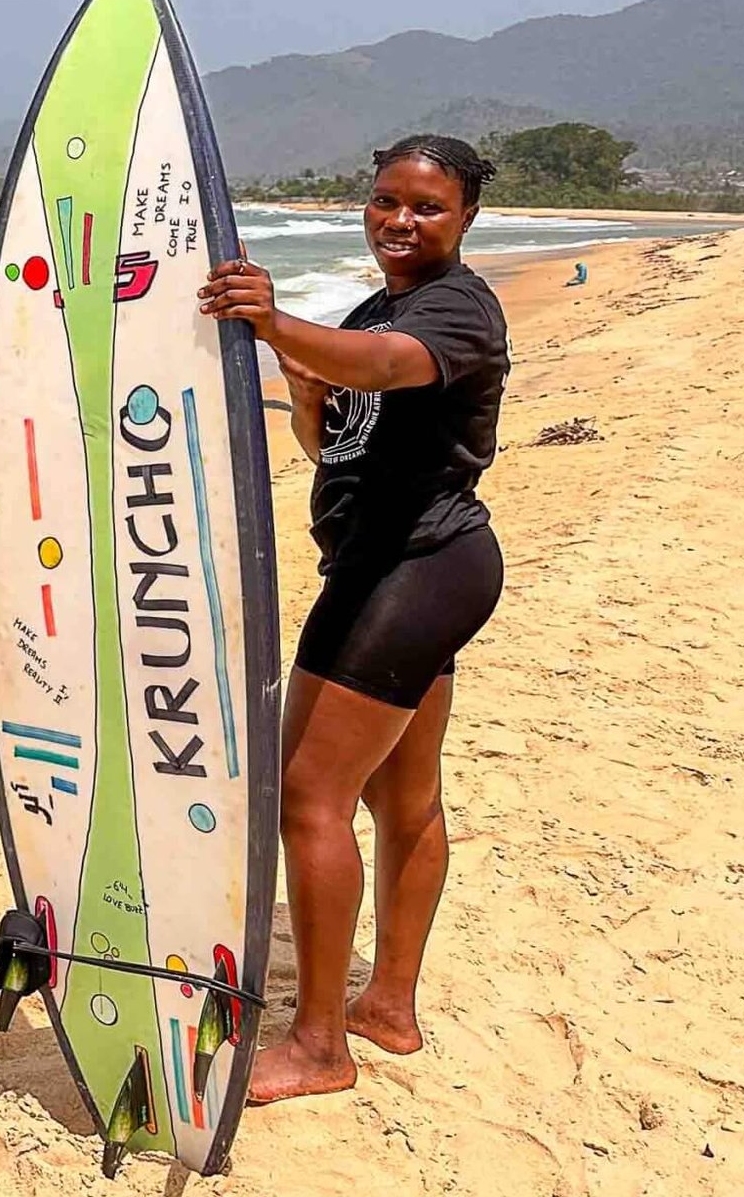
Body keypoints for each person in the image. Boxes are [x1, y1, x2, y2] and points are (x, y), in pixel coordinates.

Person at [197, 134, 510, 1104]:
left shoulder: (452, 308)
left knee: (306, 797)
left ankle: (320, 1046)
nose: (401, 221)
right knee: (398, 801)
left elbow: (377, 368)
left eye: (425, 207)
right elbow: (329, 432)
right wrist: (298, 383)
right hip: (411, 571)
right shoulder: (379, 304)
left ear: (464, 219)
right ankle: (389, 1007)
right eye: (385, 202)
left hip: (409, 571)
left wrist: (276, 321)